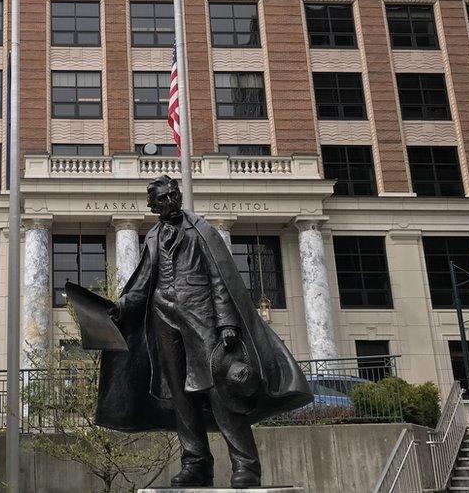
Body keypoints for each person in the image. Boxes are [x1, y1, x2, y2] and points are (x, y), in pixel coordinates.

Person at [93, 175, 312, 488]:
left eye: (173, 195)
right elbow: (142, 283)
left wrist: (227, 322)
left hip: (202, 316)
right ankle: (196, 463)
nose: (170, 201)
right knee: (180, 394)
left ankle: (246, 465)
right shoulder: (153, 237)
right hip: (163, 317)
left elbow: (220, 277)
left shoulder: (202, 229)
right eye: (163, 199)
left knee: (220, 388)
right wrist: (121, 307)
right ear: (152, 205)